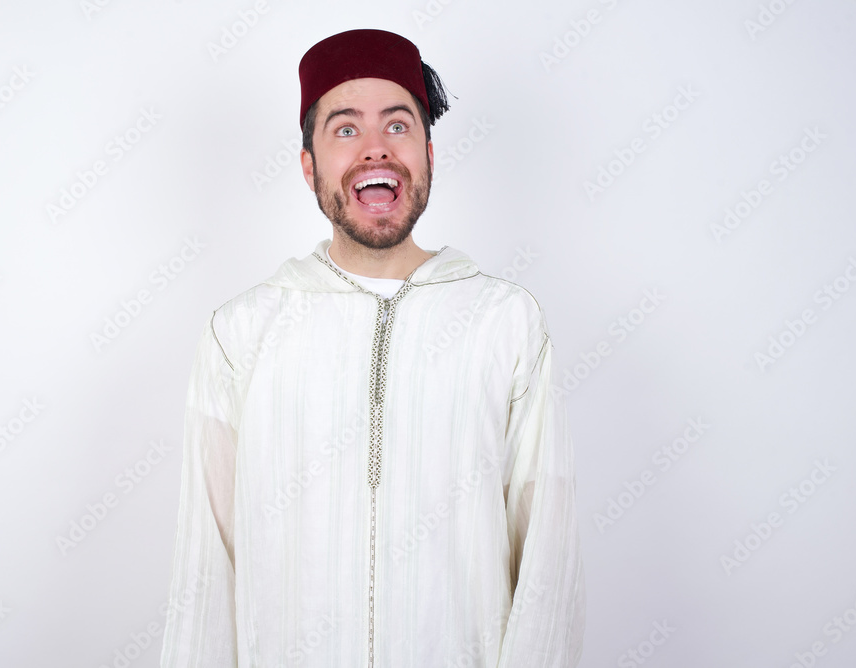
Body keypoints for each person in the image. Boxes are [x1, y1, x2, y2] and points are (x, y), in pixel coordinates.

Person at [159, 28, 585, 667]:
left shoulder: (504, 324)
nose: (376, 149)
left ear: (430, 154)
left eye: (398, 124)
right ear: (309, 165)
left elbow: (548, 558)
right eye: (345, 129)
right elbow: (205, 566)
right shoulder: (241, 335)